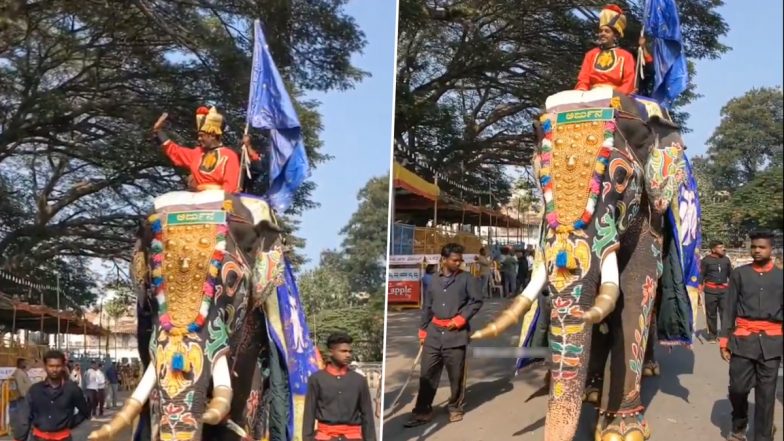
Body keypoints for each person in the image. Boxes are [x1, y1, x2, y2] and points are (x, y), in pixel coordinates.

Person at [405, 243, 483, 427]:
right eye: (454, 260)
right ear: (444, 260)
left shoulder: (467, 279)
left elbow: (477, 301)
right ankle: (423, 410)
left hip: (455, 334)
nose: (458, 263)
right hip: (433, 334)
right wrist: (423, 329)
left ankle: (455, 406)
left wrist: (461, 318)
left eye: (460, 260)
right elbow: (427, 307)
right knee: (427, 374)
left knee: (456, 375)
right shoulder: (433, 280)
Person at [720, 231, 782, 441]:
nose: (756, 250)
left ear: (770, 249)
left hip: (772, 342)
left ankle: (763, 436)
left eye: (761, 247)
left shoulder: (781, 277)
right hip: (743, 340)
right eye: (753, 246)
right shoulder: (739, 274)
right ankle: (739, 424)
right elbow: (728, 308)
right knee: (737, 388)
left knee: (766, 395)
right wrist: (724, 340)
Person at [151, 107, 260, 194]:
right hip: (196, 199)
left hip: (218, 202)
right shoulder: (197, 153)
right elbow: (175, 151)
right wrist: (159, 131)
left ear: (212, 135)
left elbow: (230, 186)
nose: (199, 139)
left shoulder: (229, 155)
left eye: (202, 135)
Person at [303, 332, 376, 441]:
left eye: (350, 351)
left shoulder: (359, 380)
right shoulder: (316, 379)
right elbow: (309, 414)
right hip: (325, 437)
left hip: (353, 437)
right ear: (331, 352)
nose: (348, 355)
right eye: (343, 351)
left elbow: (367, 416)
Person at [575, 4, 650, 96]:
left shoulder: (626, 56)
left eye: (607, 31)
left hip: (615, 98)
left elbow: (629, 81)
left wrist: (615, 96)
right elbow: (583, 79)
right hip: (591, 97)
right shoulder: (591, 54)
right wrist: (581, 93)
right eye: (601, 31)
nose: (602, 34)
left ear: (616, 36)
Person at [14, 350, 90, 441]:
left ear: (63, 367)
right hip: (39, 438)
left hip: (63, 438)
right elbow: (24, 418)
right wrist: (19, 438)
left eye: (58, 366)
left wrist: (70, 423)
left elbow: (85, 411)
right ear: (45, 367)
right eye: (51, 366)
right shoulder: (35, 390)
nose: (54, 369)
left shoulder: (72, 389)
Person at [700, 240, 733, 342]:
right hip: (710, 290)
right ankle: (712, 336)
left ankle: (725, 335)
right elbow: (702, 275)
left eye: (723, 247)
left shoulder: (726, 260)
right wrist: (699, 286)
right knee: (711, 314)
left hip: (724, 291)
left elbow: (731, 275)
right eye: (720, 247)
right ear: (713, 249)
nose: (723, 249)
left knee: (725, 314)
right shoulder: (706, 260)